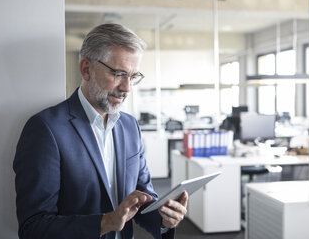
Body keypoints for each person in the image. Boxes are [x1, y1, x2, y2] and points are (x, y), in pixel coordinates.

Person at [13, 23, 188, 239]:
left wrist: (163, 218)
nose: (127, 88)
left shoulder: (130, 126)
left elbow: (142, 197)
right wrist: (105, 222)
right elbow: (34, 227)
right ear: (86, 69)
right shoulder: (45, 130)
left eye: (132, 77)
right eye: (119, 74)